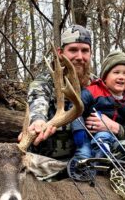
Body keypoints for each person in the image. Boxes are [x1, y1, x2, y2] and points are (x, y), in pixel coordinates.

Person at [25, 24, 97, 160]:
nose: (80, 56)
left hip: (89, 163)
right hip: (47, 165)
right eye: (73, 50)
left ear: (91, 53)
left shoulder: (97, 85)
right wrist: (38, 120)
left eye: (85, 50)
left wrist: (117, 128)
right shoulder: (44, 82)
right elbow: (37, 100)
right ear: (60, 53)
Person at [70, 51, 125, 168]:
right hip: (87, 136)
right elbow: (75, 108)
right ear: (105, 77)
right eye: (116, 72)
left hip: (114, 140)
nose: (121, 77)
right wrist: (78, 130)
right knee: (83, 154)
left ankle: (102, 165)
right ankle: (79, 173)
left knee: (109, 142)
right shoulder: (93, 91)